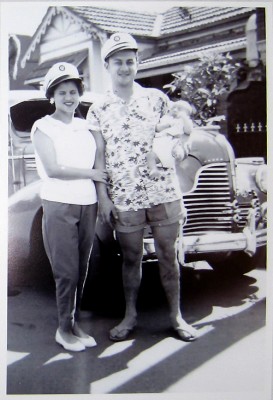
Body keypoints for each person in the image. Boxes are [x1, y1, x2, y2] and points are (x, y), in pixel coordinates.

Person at [87, 32, 197, 342]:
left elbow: (181, 137)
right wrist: (104, 199)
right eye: (118, 62)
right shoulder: (98, 109)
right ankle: (130, 315)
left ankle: (176, 316)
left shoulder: (157, 99)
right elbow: (98, 159)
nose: (125, 67)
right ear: (107, 65)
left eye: (130, 61)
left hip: (163, 191)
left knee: (168, 254)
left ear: (138, 64)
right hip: (125, 197)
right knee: (131, 258)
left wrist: (182, 149)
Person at [31, 62, 108, 352]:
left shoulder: (86, 125)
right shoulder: (43, 126)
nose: (68, 97)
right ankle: (63, 330)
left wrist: (98, 187)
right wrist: (92, 174)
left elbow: (99, 154)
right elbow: (53, 169)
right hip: (59, 202)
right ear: (52, 95)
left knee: (83, 269)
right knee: (66, 271)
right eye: (62, 92)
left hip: (87, 202)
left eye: (73, 91)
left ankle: (73, 324)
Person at [146, 99, 193, 178]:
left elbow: (189, 131)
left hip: (173, 145)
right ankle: (153, 169)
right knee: (150, 155)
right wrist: (166, 125)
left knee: (179, 154)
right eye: (173, 107)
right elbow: (156, 128)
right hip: (159, 144)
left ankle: (176, 169)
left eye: (179, 109)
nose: (175, 110)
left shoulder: (184, 122)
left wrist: (184, 118)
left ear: (187, 114)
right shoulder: (166, 119)